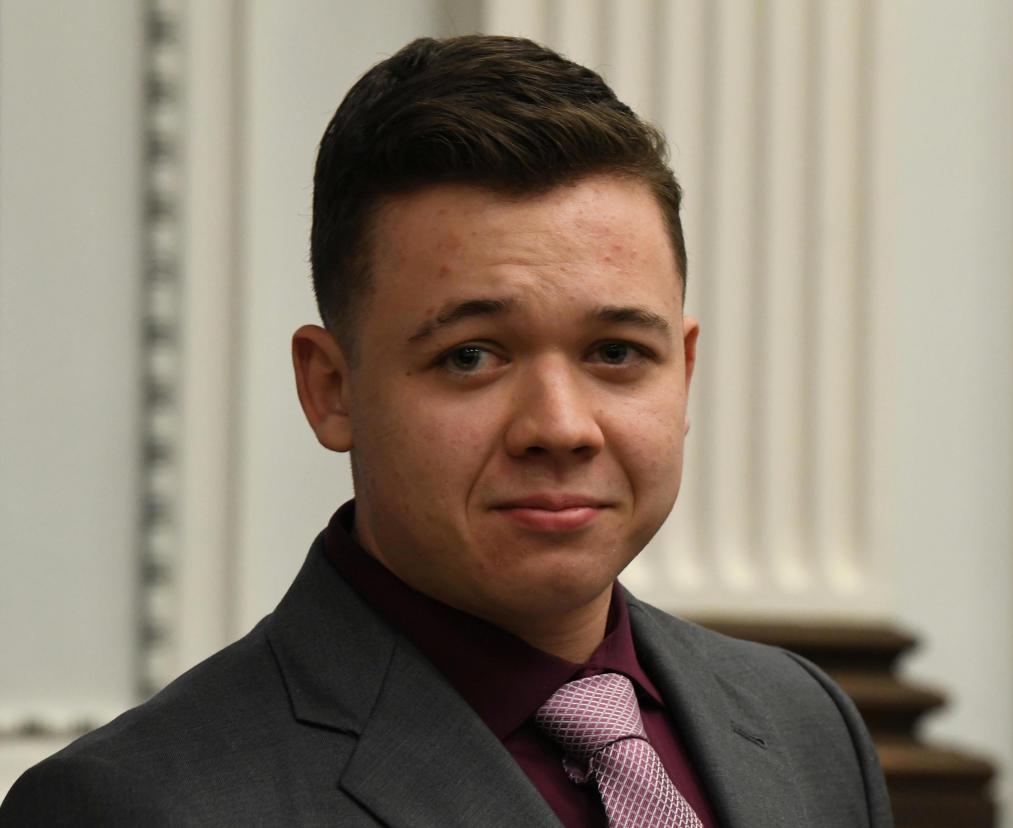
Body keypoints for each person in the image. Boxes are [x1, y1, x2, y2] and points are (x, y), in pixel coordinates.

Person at [1, 35, 892, 826]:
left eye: (616, 352)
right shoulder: (135, 806)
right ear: (332, 389)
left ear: (684, 373)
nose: (561, 427)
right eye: (473, 357)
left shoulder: (805, 726)